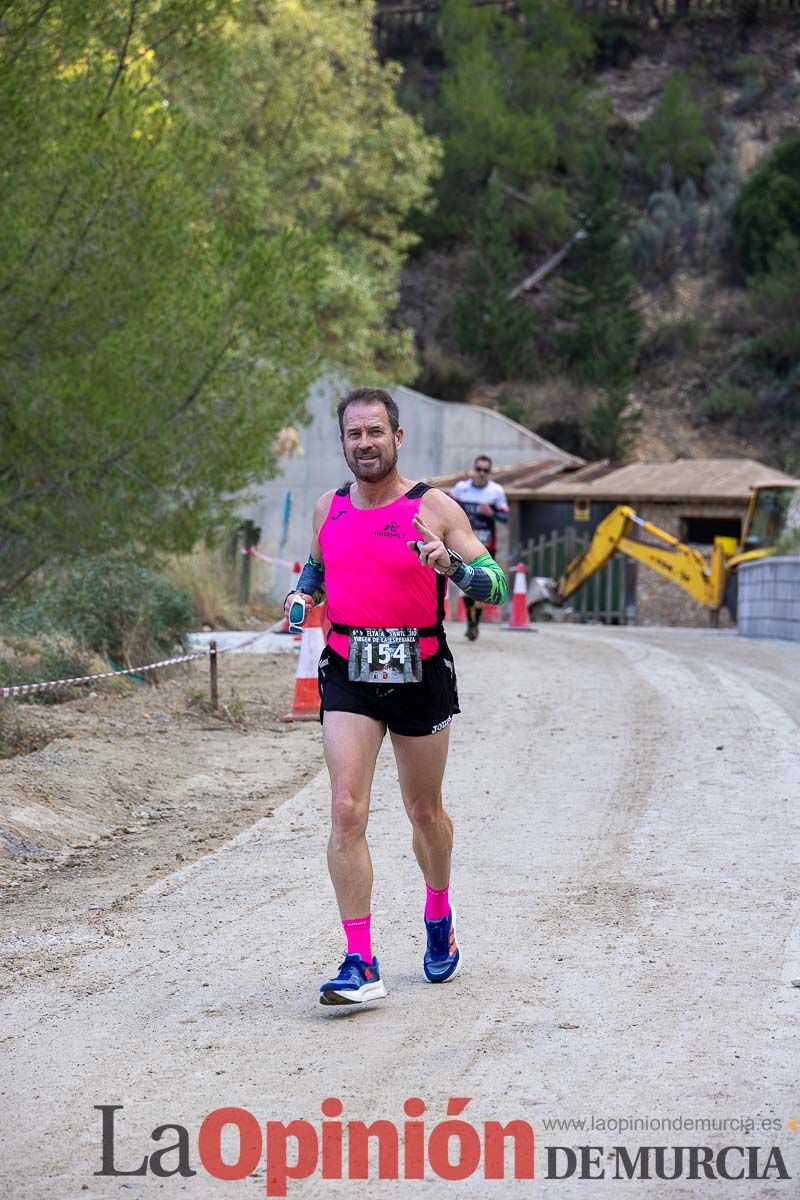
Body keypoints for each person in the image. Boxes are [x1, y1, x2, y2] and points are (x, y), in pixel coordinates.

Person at [285, 387, 508, 1005]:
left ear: (397, 437)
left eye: (375, 432)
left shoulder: (435, 507)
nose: (365, 444)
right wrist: (302, 596)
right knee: (347, 809)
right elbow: (316, 568)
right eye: (354, 434)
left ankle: (439, 913)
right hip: (350, 667)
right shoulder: (327, 507)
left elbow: (493, 583)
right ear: (343, 442)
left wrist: (451, 567)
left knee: (423, 812)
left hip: (420, 668)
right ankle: (360, 961)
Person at [450, 456, 509, 640]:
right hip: (464, 542)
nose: (481, 473)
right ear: (474, 470)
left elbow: (506, 518)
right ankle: (471, 621)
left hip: (486, 544)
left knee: (482, 583)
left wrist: (492, 513)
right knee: (465, 581)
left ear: (489, 473)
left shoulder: (496, 492)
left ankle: (474, 621)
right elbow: (446, 508)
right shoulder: (461, 489)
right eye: (479, 469)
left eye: (485, 470)